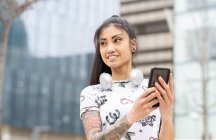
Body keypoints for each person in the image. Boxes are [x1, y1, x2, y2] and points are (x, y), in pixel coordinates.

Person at [80, 15, 174, 140]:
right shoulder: (91, 93)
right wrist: (131, 117)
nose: (109, 49)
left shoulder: (152, 89)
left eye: (117, 40)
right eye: (103, 43)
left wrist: (167, 115)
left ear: (133, 45)